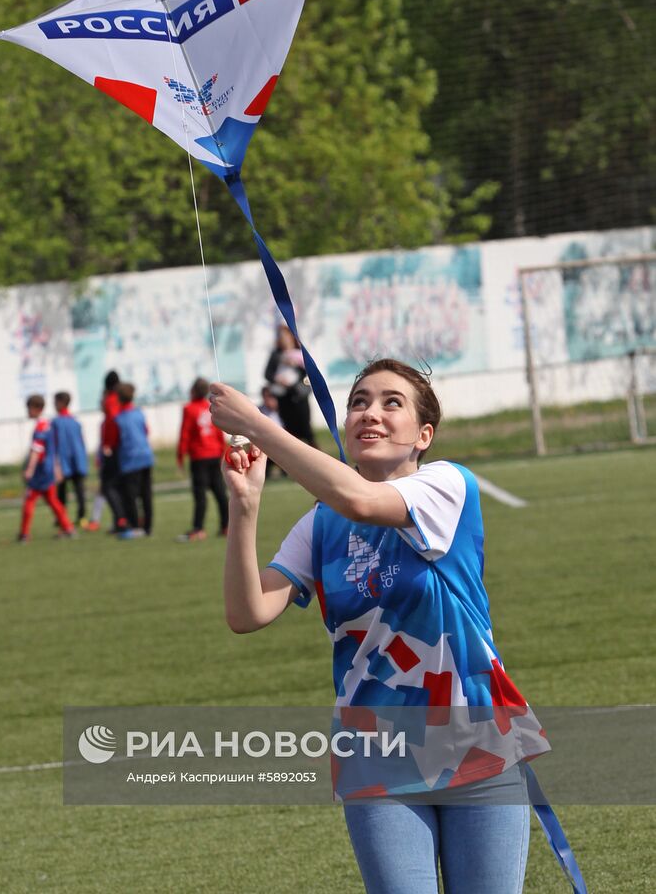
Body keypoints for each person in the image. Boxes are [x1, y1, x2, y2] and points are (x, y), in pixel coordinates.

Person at [209, 359, 551, 894]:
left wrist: (257, 425)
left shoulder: (447, 486)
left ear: (423, 435)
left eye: (393, 403)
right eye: (360, 401)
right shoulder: (321, 522)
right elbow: (247, 613)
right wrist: (245, 504)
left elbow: (363, 501)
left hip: (478, 744)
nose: (371, 412)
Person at [175, 377, 228, 542]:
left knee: (200, 494)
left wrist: (180, 456)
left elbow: (185, 433)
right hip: (214, 454)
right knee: (220, 492)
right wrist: (223, 451)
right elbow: (219, 430)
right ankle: (226, 526)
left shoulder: (189, 409)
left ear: (193, 390)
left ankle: (198, 529)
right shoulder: (210, 407)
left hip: (199, 457)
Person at [18, 394, 75, 542]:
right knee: (52, 500)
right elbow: (54, 449)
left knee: (30, 500)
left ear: (36, 408)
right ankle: (68, 527)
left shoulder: (41, 427)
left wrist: (30, 469)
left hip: (40, 471)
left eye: (29, 408)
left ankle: (24, 533)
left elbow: (38, 449)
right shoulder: (49, 425)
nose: (27, 412)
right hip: (48, 469)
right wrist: (57, 467)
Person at [112, 382, 153, 538]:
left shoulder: (119, 418)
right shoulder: (139, 413)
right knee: (146, 495)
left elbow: (115, 440)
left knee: (130, 496)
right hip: (146, 456)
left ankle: (136, 526)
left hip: (130, 459)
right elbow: (146, 431)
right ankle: (148, 527)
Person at [264, 324, 315, 446]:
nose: (283, 339)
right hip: (283, 396)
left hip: (299, 395)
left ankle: (316, 456)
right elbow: (268, 374)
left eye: (285, 336)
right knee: (289, 429)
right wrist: (278, 379)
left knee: (305, 428)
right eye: (281, 337)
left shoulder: (300, 353)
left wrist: (295, 365)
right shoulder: (276, 354)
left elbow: (309, 373)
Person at [51, 392, 89, 528]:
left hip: (64, 462)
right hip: (77, 460)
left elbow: (54, 444)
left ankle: (62, 518)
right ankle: (81, 516)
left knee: (62, 492)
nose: (54, 405)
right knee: (79, 491)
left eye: (55, 402)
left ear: (61, 403)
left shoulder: (56, 422)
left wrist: (55, 462)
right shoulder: (75, 421)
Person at [99, 370, 127, 533]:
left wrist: (108, 445)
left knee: (108, 486)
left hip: (113, 448)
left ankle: (120, 519)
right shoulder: (121, 399)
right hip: (124, 447)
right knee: (121, 486)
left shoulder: (110, 400)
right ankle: (125, 518)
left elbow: (112, 423)